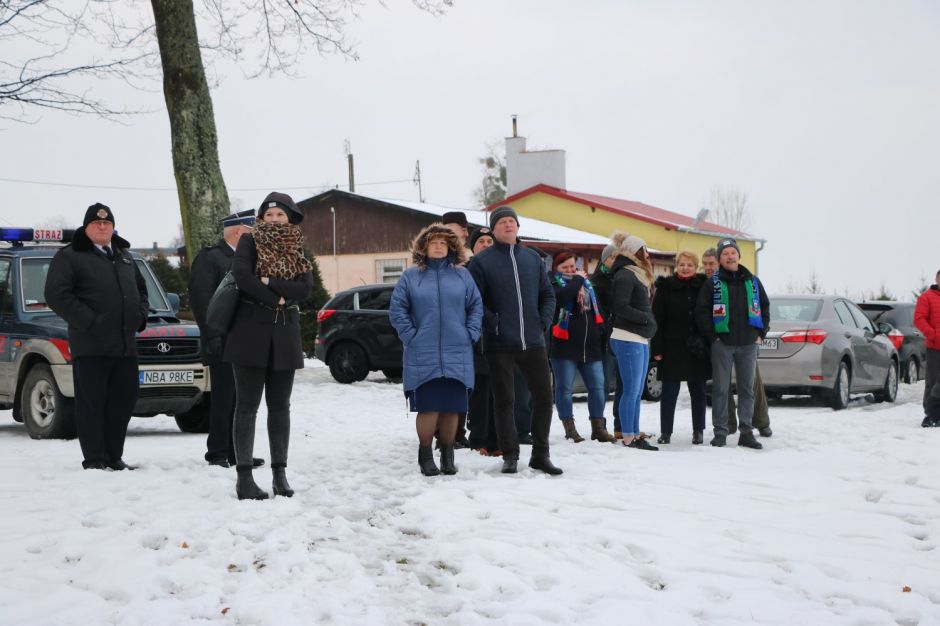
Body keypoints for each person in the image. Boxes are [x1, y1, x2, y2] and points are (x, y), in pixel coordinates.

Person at [45, 203, 148, 470]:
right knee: (92, 404)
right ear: (87, 227)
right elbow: (57, 294)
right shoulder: (71, 256)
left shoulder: (124, 256)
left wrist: (140, 316)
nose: (102, 227)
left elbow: (141, 290)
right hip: (91, 345)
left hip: (125, 346)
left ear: (113, 227)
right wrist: (90, 321)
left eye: (107, 223)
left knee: (123, 400)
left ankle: (113, 456)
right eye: (97, 223)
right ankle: (95, 458)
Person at [225, 192, 313, 500]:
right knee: (247, 407)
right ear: (262, 218)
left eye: (280, 214)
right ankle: (244, 478)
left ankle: (280, 474)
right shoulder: (249, 241)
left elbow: (305, 288)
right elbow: (242, 276)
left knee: (280, 407)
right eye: (269, 214)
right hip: (250, 332)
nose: (274, 219)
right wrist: (275, 298)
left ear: (290, 218)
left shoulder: (297, 245)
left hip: (285, 334)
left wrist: (269, 283)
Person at [468, 206, 562, 475]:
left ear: (518, 227)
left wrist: (543, 321)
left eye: (512, 221)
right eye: (502, 222)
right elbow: (474, 300)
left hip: (533, 341)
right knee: (504, 401)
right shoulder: (482, 262)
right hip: (499, 344)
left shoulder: (532, 258)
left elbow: (548, 294)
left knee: (544, 397)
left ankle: (541, 454)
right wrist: (494, 323)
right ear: (493, 229)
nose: (508, 225)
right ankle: (510, 454)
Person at [389, 224, 483, 476]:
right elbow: (397, 309)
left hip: (457, 351)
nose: (439, 246)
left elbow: (476, 306)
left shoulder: (463, 276)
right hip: (423, 352)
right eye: (434, 242)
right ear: (424, 247)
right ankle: (425, 454)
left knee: (452, 408)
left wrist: (470, 333)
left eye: (443, 242)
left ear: (451, 247)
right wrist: (411, 336)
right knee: (428, 407)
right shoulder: (411, 277)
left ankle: (448, 455)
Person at [188, 209, 264, 468]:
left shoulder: (249, 259)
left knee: (243, 400)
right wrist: (212, 334)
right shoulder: (211, 258)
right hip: (222, 339)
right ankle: (218, 451)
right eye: (252, 232)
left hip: (245, 339)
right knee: (224, 399)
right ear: (238, 232)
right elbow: (201, 300)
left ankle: (238, 451)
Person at [695, 238, 770, 449]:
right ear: (720, 259)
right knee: (720, 390)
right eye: (725, 254)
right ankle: (720, 432)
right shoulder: (713, 283)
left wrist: (761, 334)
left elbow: (764, 307)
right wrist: (714, 337)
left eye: (732, 253)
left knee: (747, 390)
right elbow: (702, 311)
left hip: (748, 344)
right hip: (723, 344)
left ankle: (746, 432)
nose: (730, 256)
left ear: (738, 255)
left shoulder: (753, 281)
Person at [548, 250, 615, 443]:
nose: (571, 270)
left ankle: (598, 428)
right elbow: (563, 298)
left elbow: (598, 310)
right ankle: (570, 429)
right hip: (564, 347)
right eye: (565, 267)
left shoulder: (587, 285)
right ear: (556, 268)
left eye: (573, 266)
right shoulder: (553, 284)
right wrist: (577, 279)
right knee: (564, 389)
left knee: (598, 387)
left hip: (590, 347)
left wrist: (601, 331)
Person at [651, 251, 709, 445]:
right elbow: (657, 319)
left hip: (697, 347)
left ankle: (698, 431)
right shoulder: (665, 287)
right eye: (682, 264)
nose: (685, 268)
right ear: (676, 266)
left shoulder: (703, 286)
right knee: (669, 392)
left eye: (690, 265)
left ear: (696, 267)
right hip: (671, 347)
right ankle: (666, 432)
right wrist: (657, 349)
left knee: (698, 391)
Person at [608, 233, 659, 451]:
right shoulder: (625, 275)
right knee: (630, 391)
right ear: (635, 251)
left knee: (637, 392)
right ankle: (629, 437)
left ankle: (635, 433)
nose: (647, 254)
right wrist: (646, 318)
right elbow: (620, 307)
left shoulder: (638, 273)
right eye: (644, 250)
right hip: (627, 338)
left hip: (640, 338)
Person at [466, 227, 500, 455]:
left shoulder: (502, 268)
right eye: (481, 242)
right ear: (473, 247)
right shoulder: (465, 271)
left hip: (500, 337)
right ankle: (478, 439)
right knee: (480, 392)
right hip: (476, 339)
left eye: (490, 241)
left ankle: (497, 440)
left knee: (499, 392)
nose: (486, 245)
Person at [591, 242, 624, 438]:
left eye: (618, 257)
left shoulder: (622, 277)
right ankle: (598, 426)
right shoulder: (596, 282)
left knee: (623, 384)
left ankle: (620, 424)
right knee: (602, 385)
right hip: (604, 339)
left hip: (622, 335)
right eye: (612, 257)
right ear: (604, 260)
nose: (615, 260)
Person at [914, 270, 940, 427]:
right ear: (937, 278)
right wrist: (933, 334)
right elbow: (919, 319)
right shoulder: (926, 297)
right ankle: (930, 414)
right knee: (933, 381)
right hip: (935, 346)